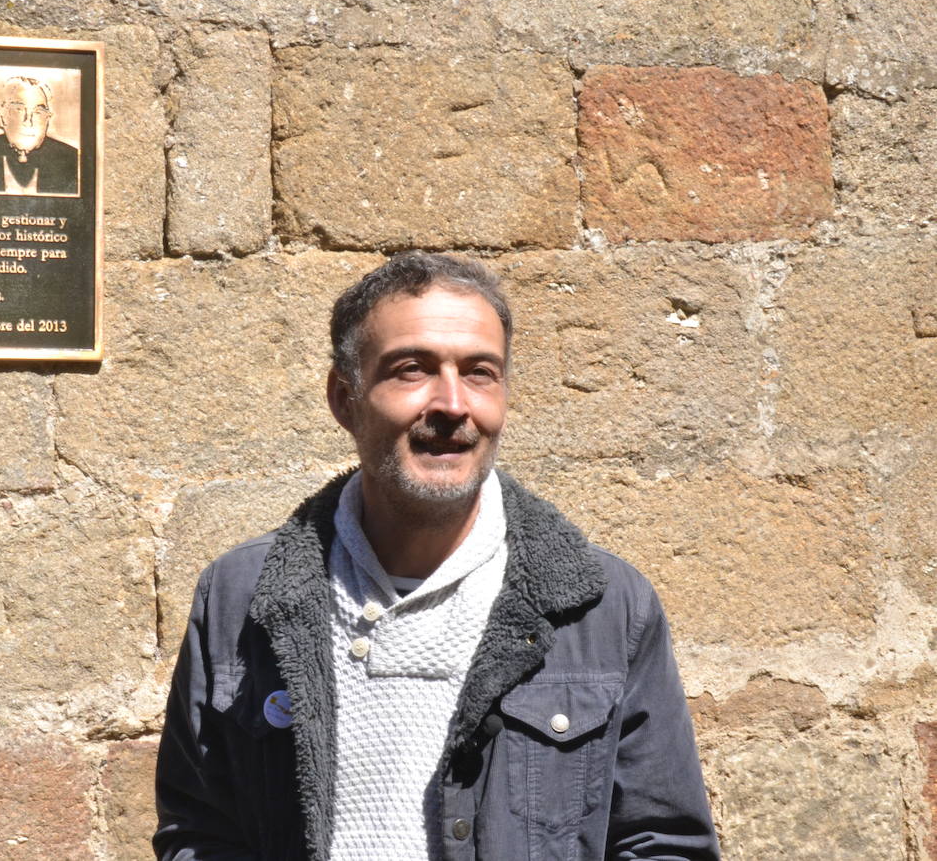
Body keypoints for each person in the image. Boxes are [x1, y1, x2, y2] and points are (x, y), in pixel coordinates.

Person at [154, 253, 720, 860]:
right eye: (411, 370)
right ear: (344, 399)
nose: (453, 404)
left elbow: (663, 844)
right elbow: (200, 833)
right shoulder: (242, 598)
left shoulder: (603, 608)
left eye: (480, 373)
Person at [0, 75, 79, 195]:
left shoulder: (71, 158)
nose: (28, 121)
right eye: (19, 109)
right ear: (2, 115)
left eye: (38, 112)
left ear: (47, 119)